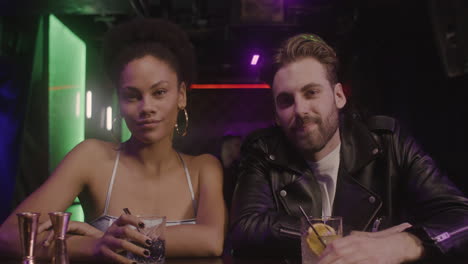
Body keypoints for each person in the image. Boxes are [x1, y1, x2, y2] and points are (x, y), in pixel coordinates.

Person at [0, 18, 226, 263]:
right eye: (132, 96)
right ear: (118, 101)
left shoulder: (204, 168)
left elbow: (212, 241)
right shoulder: (92, 157)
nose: (146, 107)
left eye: (159, 92)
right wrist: (95, 245)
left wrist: (113, 238)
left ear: (181, 95)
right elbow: (9, 236)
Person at [229, 33, 468, 263]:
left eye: (311, 92)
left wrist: (403, 244)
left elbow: (461, 217)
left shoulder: (387, 142)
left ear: (339, 96)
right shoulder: (263, 150)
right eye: (286, 101)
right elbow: (245, 229)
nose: (300, 109)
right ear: (276, 116)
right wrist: (359, 241)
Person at [219, 134, 242, 211]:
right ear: (227, 147)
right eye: (237, 145)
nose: (240, 149)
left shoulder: (238, 168)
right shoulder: (214, 168)